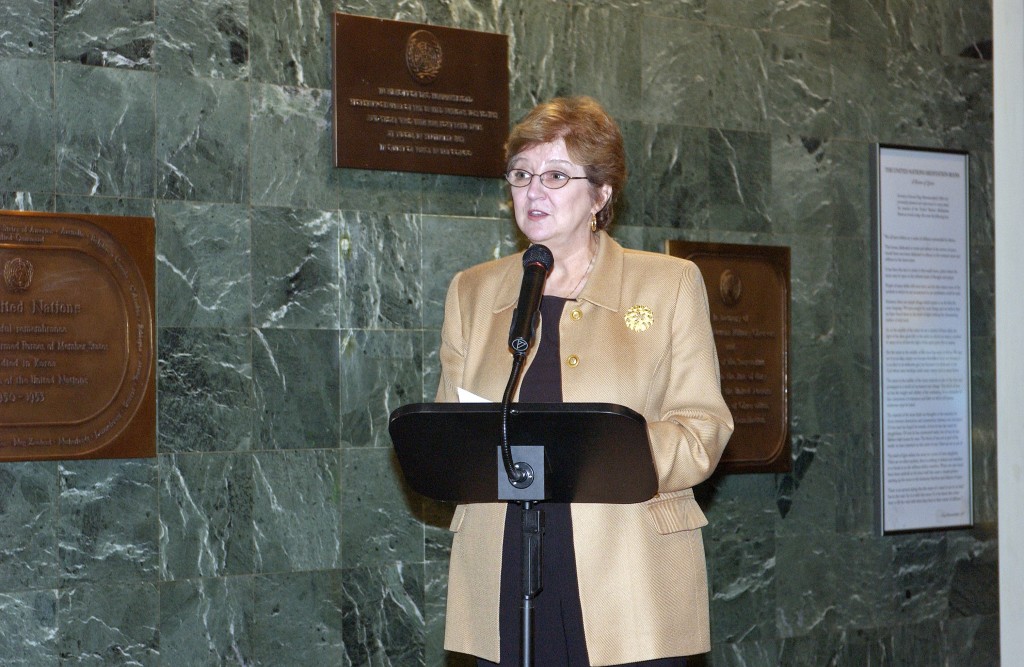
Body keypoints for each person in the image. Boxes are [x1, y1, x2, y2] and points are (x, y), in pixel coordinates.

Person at [435, 96, 734, 666]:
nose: (532, 191)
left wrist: (601, 451)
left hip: (631, 575)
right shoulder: (472, 292)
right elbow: (457, 433)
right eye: (521, 175)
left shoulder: (667, 285)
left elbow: (703, 429)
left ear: (601, 195)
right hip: (504, 566)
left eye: (554, 175)